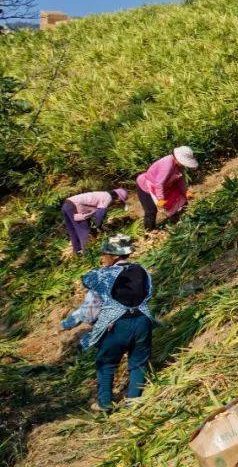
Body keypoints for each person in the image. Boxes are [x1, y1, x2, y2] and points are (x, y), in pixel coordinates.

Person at [60, 234, 155, 412]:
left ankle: (105, 404)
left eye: (105, 254)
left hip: (117, 325)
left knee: (106, 363)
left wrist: (67, 324)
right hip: (143, 321)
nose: (103, 258)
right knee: (138, 363)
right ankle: (133, 404)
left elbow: (89, 311)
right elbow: (149, 294)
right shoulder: (142, 270)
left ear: (114, 255)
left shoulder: (102, 276)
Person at [136, 146, 197, 231]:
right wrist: (161, 199)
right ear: (178, 158)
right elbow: (159, 184)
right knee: (151, 211)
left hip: (163, 186)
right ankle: (149, 232)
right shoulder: (167, 165)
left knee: (180, 198)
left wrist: (185, 192)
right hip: (145, 186)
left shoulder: (179, 166)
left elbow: (181, 181)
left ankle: (176, 219)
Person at [61, 188, 128, 255]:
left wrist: (96, 225)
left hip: (66, 205)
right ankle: (87, 255)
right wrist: (98, 227)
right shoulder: (108, 198)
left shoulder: (102, 194)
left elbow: (92, 212)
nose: (118, 203)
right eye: (120, 201)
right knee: (84, 231)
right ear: (118, 197)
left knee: (73, 232)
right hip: (74, 206)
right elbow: (100, 214)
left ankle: (77, 253)